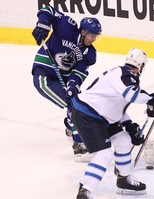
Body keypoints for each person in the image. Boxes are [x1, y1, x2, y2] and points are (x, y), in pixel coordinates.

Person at [70, 48, 154, 199]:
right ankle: (85, 192)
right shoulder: (126, 76)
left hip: (99, 114)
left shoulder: (121, 74)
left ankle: (123, 179)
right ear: (141, 65)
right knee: (104, 153)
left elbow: (115, 105)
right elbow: (133, 95)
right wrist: (153, 99)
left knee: (124, 140)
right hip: (88, 114)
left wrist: (129, 125)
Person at [31, 5, 102, 160]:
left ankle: (71, 126)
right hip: (44, 77)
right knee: (72, 105)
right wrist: (43, 23)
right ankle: (79, 144)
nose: (93, 39)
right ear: (83, 32)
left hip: (62, 79)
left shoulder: (90, 53)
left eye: (96, 36)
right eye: (91, 35)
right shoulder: (67, 27)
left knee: (79, 102)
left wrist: (72, 85)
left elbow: (79, 72)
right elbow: (48, 9)